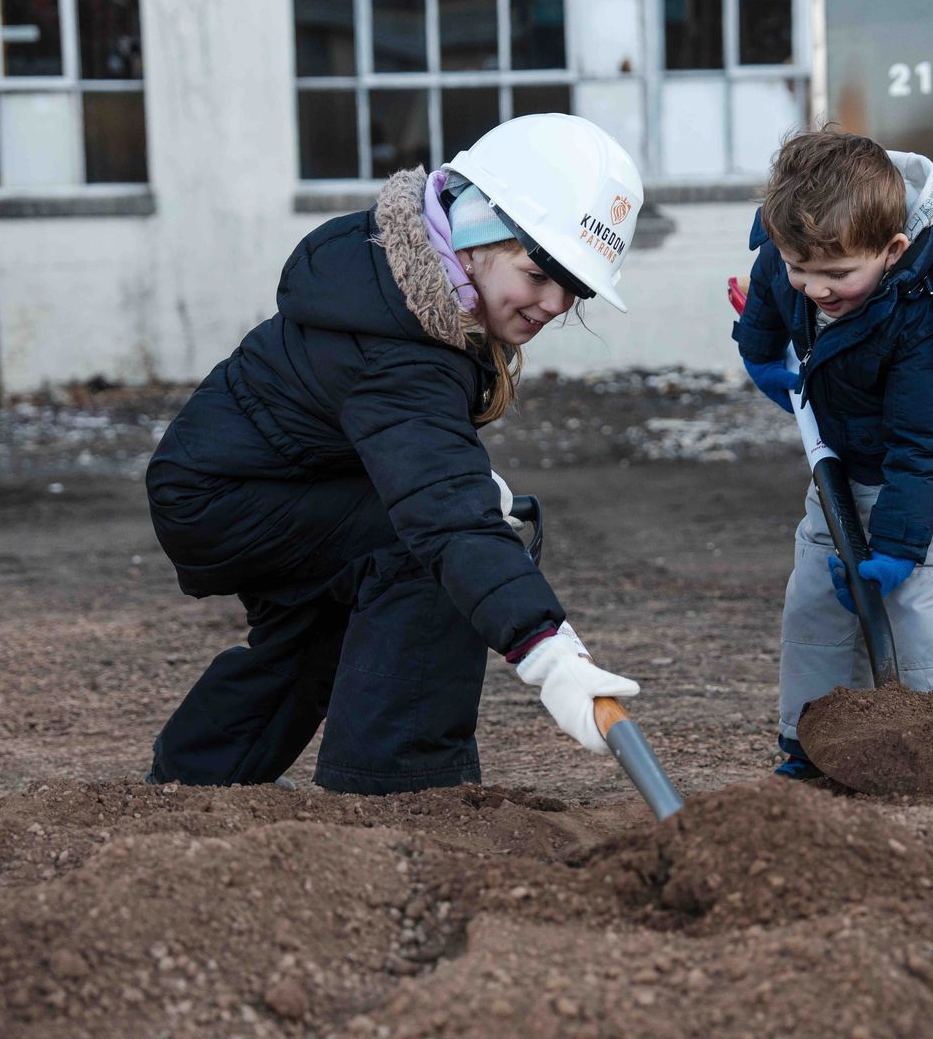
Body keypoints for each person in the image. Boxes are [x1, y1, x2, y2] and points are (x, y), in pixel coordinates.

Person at [146, 114, 647, 793]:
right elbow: (442, 511)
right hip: (232, 495)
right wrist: (548, 652)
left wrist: (459, 484)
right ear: (474, 232)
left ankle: (189, 785)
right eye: (539, 274)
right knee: (428, 551)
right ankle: (403, 791)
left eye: (575, 288)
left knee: (321, 634)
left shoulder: (402, 281)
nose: (555, 303)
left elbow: (405, 445)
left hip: (248, 480)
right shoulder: (402, 343)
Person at [733, 131, 933, 778]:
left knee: (923, 617)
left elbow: (924, 444)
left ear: (893, 251)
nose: (815, 288)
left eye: (836, 276)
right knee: (815, 605)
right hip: (843, 449)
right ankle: (815, 741)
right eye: (802, 269)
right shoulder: (794, 246)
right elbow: (773, 296)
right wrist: (759, 352)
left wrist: (897, 548)